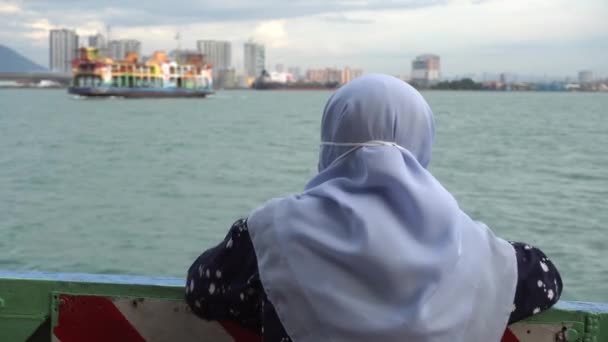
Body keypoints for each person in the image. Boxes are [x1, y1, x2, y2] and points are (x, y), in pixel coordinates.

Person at [185, 74, 562, 342]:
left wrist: (288, 302)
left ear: (331, 139)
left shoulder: (273, 231)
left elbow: (203, 290)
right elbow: (546, 281)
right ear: (423, 142)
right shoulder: (476, 248)